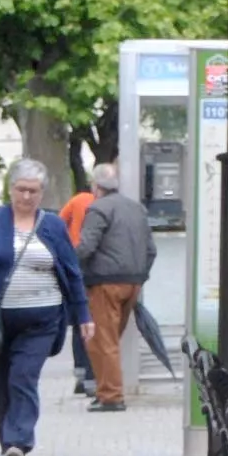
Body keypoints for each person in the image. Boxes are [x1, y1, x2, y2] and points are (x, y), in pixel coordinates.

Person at [0, 159, 88, 456]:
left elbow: (71, 273)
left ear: (42, 192)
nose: (27, 196)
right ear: (11, 189)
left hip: (42, 319)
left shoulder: (53, 225)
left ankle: (20, 440)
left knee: (23, 377)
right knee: (0, 382)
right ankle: (8, 442)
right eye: (21, 189)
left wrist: (83, 315)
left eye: (33, 191)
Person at [74, 161, 156, 413]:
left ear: (95, 186)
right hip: (133, 283)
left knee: (102, 341)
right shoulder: (136, 209)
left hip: (104, 282)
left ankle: (111, 396)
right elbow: (151, 249)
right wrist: (140, 276)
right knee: (109, 340)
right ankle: (104, 390)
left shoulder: (98, 209)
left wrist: (69, 265)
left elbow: (86, 247)